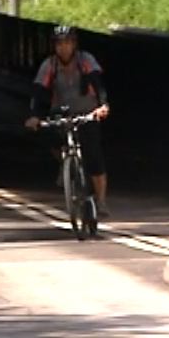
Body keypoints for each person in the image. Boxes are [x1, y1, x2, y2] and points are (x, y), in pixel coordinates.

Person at [25, 25, 112, 216]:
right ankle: (65, 163)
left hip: (87, 112)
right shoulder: (50, 65)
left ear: (74, 44)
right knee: (48, 136)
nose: (63, 48)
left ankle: (102, 201)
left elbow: (98, 83)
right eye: (59, 44)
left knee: (94, 156)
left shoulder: (85, 60)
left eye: (67, 43)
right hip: (61, 112)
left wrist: (103, 105)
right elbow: (39, 91)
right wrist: (34, 115)